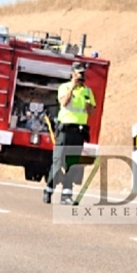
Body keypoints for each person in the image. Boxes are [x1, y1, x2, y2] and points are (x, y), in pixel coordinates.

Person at [44, 62, 96, 205]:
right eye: (79, 73)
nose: (81, 76)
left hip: (79, 131)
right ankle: (48, 190)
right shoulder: (64, 87)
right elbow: (64, 103)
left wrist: (88, 104)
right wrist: (72, 88)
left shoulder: (88, 91)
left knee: (72, 164)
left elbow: (92, 112)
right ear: (72, 73)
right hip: (65, 130)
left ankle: (66, 195)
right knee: (58, 161)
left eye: (83, 74)